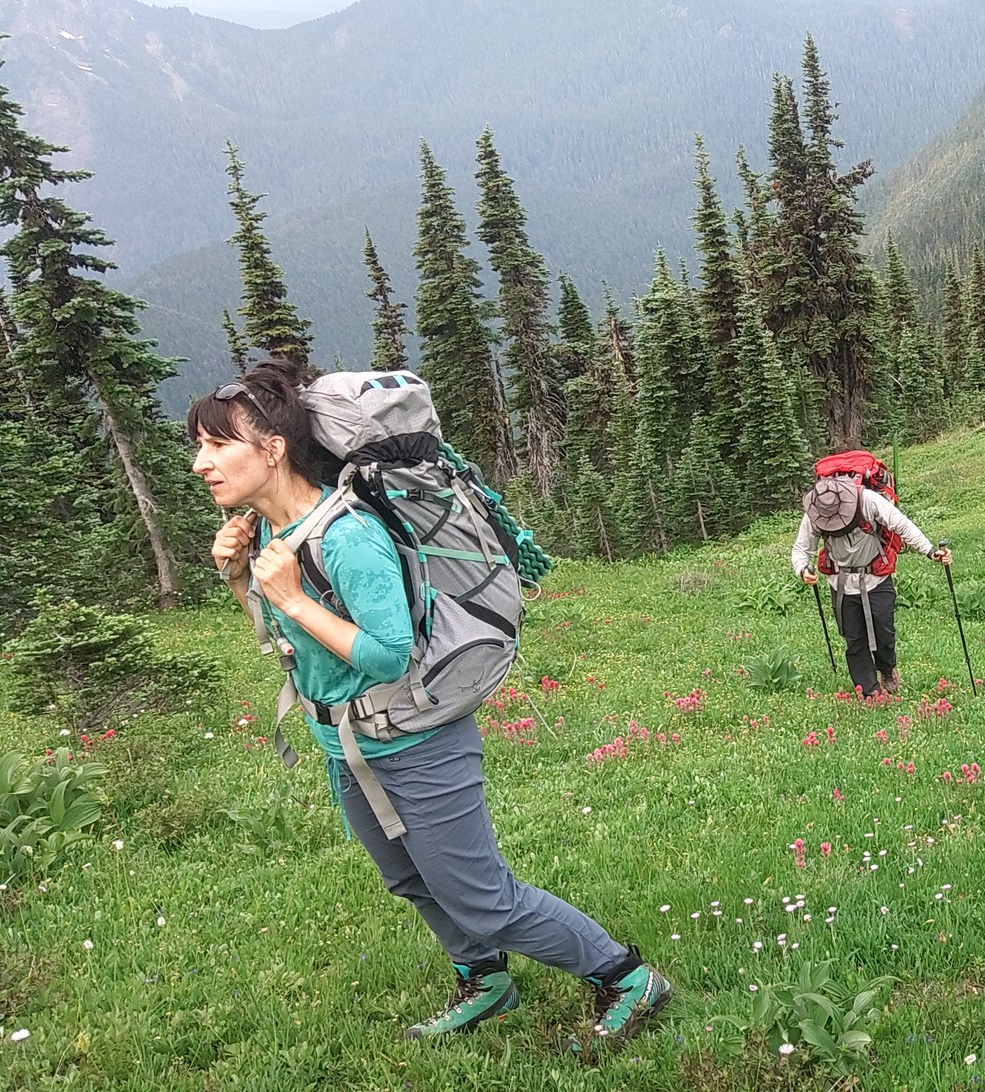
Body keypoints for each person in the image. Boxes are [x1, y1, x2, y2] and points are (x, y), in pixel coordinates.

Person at [191, 358, 670, 1046]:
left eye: (217, 443)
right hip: (347, 744)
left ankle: (627, 977)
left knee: (486, 899)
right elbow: (296, 642)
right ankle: (485, 980)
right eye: (200, 445)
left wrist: (291, 596)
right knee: (410, 879)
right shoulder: (268, 532)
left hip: (416, 743)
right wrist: (244, 580)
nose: (202, 463)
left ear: (272, 449)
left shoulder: (348, 534)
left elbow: (388, 654)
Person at [792, 465, 952, 696]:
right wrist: (802, 569)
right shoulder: (816, 511)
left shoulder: (867, 499)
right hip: (840, 582)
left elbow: (901, 524)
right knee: (854, 639)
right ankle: (870, 692)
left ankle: (887, 669)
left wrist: (929, 551)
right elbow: (801, 548)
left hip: (876, 578)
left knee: (884, 633)